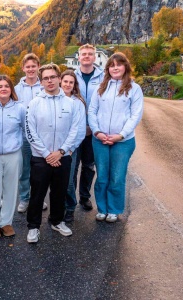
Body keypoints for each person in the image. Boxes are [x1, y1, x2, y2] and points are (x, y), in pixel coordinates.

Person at [25, 63, 80, 243]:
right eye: (46, 78)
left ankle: (57, 221)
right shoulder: (34, 104)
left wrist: (61, 151)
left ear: (58, 78)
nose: (50, 81)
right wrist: (47, 153)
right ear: (41, 82)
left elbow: (75, 129)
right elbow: (30, 131)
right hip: (41, 158)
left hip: (63, 157)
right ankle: (33, 227)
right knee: (37, 194)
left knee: (59, 192)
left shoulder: (71, 103)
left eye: (52, 77)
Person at [88, 52, 144, 223]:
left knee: (117, 176)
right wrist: (97, 132)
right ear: (108, 69)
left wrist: (120, 135)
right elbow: (92, 111)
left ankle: (113, 209)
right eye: (112, 65)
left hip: (123, 142)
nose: (115, 68)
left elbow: (136, 115)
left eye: (119, 64)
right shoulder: (101, 88)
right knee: (102, 175)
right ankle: (102, 208)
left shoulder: (134, 88)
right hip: (100, 140)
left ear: (125, 66)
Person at [0, 76, 26, 239]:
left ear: (11, 89)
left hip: (13, 154)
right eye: (0, 86)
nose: (3, 89)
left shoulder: (19, 108)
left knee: (11, 190)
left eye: (6, 86)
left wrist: (15, 144)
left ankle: (6, 222)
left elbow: (25, 130)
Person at [13, 53, 47, 213]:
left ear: (38, 67)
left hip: (42, 138)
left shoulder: (45, 87)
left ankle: (38, 199)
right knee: (24, 170)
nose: (31, 69)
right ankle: (25, 198)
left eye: (34, 66)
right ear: (23, 68)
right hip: (24, 138)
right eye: (28, 66)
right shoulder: (17, 89)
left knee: (40, 171)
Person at [74, 43, 104, 211]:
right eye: (83, 54)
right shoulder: (72, 76)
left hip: (94, 130)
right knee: (73, 166)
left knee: (88, 165)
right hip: (75, 130)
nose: (86, 56)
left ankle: (84, 197)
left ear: (94, 57)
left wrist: (94, 127)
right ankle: (70, 197)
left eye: (89, 54)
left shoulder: (102, 77)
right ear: (79, 57)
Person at [60, 70, 86, 223]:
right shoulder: (54, 99)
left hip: (70, 149)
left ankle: (70, 207)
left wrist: (70, 148)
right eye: (65, 81)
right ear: (60, 82)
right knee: (56, 182)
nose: (68, 84)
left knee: (68, 181)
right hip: (54, 148)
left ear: (74, 85)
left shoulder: (78, 103)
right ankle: (58, 207)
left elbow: (81, 130)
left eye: (71, 82)